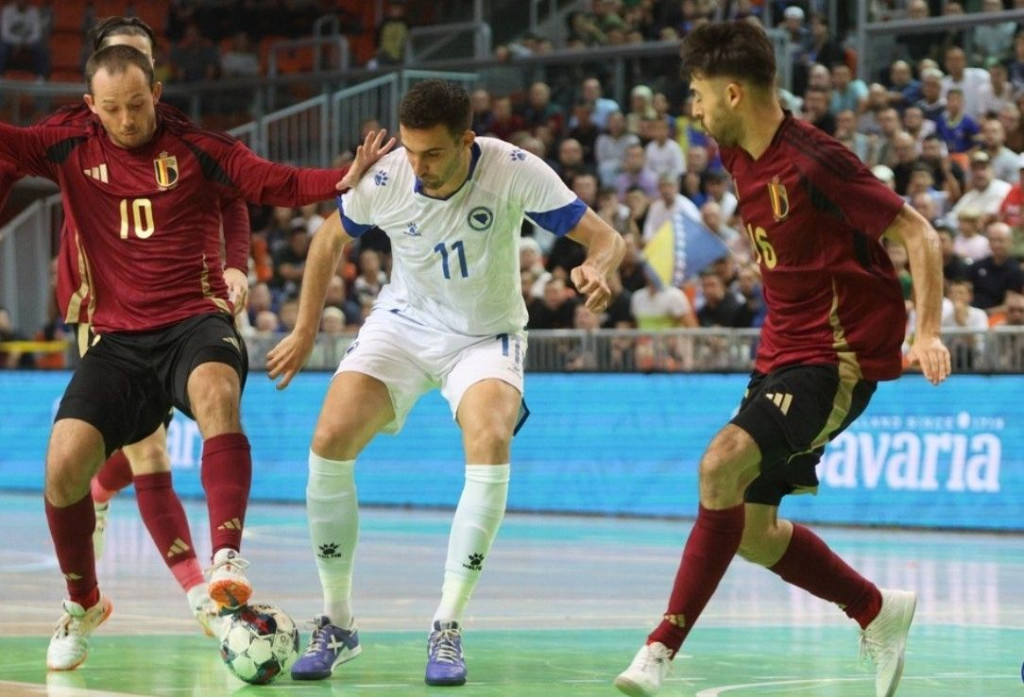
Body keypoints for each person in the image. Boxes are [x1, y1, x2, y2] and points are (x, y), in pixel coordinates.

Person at [0, 44, 387, 672]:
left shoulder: (198, 148)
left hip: (194, 321)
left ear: (156, 94)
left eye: (136, 105)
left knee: (215, 394)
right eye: (112, 109)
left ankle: (225, 559)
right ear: (90, 107)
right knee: (62, 465)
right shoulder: (68, 144)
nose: (127, 120)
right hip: (116, 339)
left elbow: (269, 182)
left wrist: (338, 180)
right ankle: (82, 606)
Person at [613, 21, 950, 697]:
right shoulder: (737, 152)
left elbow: (917, 232)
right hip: (779, 353)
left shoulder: (815, 161)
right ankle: (876, 609)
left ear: (734, 93)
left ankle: (659, 649)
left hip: (837, 358)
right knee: (754, 531)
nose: (695, 110)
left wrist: (929, 330)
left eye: (701, 95)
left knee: (719, 466)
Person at [265, 79, 624, 687]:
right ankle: (338, 621)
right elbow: (328, 239)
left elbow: (605, 237)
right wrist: (303, 331)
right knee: (328, 440)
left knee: (490, 440)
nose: (417, 165)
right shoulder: (388, 177)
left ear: (466, 140)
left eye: (432, 154)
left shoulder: (515, 169)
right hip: (404, 324)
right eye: (409, 150)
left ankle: (448, 626)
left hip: (486, 335)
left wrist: (598, 266)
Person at [0, 15, 250, 640]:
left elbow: (234, 193)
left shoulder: (179, 141)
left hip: (175, 313)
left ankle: (109, 501)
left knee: (134, 452)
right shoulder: (74, 135)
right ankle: (206, 602)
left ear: (153, 80)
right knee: (147, 451)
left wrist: (234, 265)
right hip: (99, 313)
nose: (127, 111)